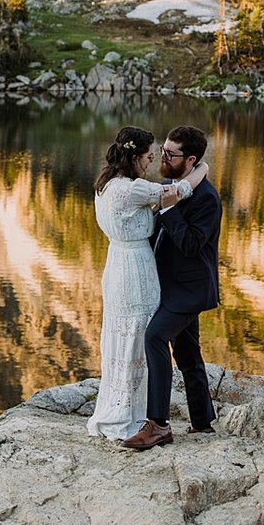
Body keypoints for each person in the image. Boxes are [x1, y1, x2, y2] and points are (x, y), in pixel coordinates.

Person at [88, 126, 208, 441]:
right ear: (137, 157)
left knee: (122, 336)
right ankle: (142, 417)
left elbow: (150, 207)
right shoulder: (134, 188)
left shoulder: (105, 184)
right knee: (141, 337)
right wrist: (202, 169)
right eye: (149, 155)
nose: (153, 159)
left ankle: (122, 408)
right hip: (136, 269)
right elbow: (178, 192)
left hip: (115, 266)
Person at [124, 125, 222, 452]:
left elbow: (192, 246)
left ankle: (159, 425)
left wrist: (168, 209)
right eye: (163, 150)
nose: (162, 158)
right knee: (187, 353)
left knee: (155, 337)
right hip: (169, 286)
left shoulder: (207, 199)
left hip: (189, 290)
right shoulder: (171, 186)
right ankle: (203, 420)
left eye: (170, 154)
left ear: (190, 159)